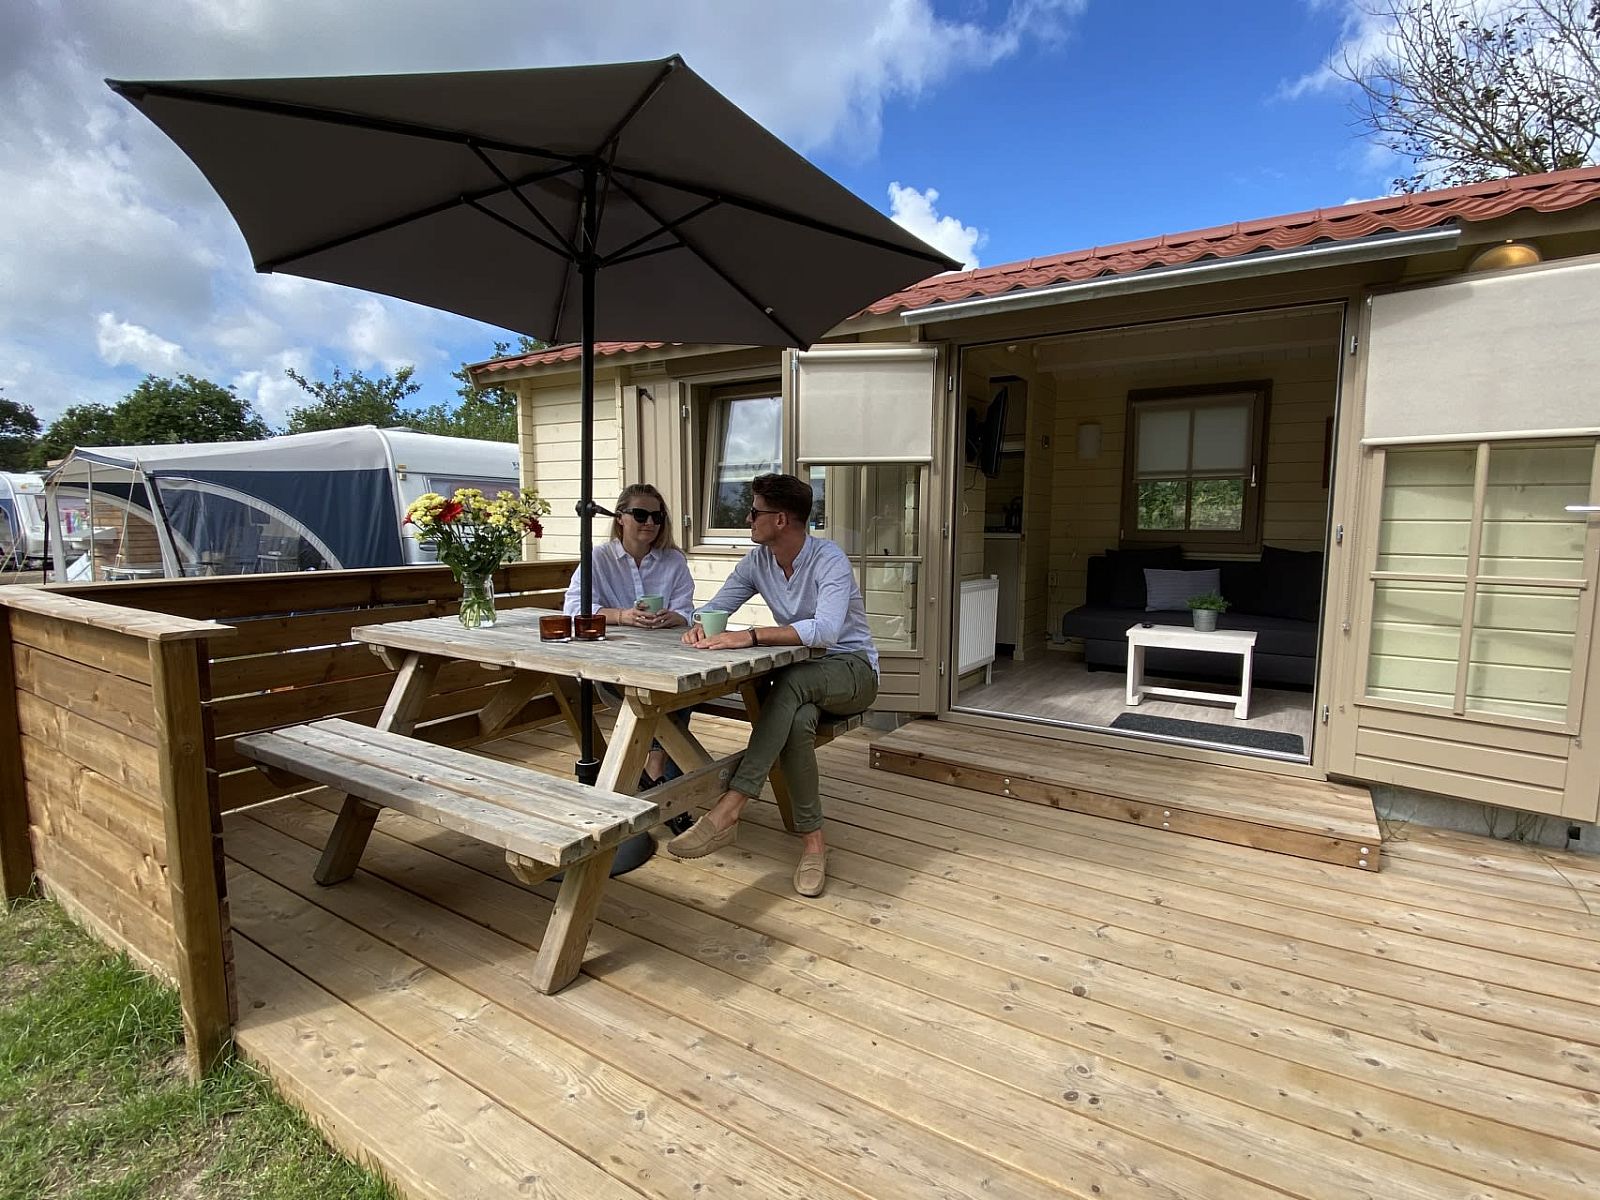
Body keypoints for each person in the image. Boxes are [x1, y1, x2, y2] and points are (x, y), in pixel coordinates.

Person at [668, 472, 878, 896]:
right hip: (800, 681)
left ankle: (730, 807)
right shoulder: (757, 562)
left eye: (754, 512)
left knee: (792, 683)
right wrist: (697, 625)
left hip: (852, 671)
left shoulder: (829, 559)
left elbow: (826, 632)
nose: (747, 518)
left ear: (780, 519)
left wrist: (751, 635)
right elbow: (716, 607)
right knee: (796, 721)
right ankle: (814, 846)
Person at [563, 483, 695, 795]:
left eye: (657, 516)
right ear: (620, 518)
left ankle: (657, 774)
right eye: (640, 514)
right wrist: (623, 616)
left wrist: (672, 617)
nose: (650, 522)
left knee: (685, 688)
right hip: (615, 662)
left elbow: (687, 611)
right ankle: (665, 780)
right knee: (664, 697)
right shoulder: (598, 558)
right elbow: (572, 610)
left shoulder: (673, 560)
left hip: (666, 655)